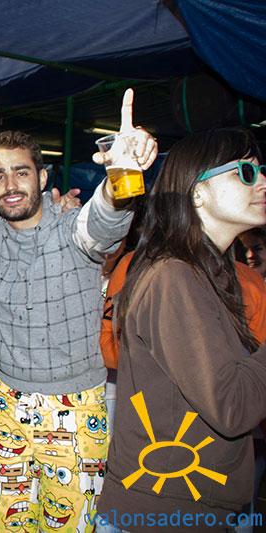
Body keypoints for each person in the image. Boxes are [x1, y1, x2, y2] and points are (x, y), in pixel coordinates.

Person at [0, 89, 157, 532]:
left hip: (77, 406)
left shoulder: (72, 228)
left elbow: (102, 222)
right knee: (0, 525)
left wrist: (120, 173)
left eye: (21, 172)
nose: (11, 185)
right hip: (7, 403)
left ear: (43, 177)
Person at [96, 128, 266, 532]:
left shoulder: (211, 272)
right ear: (197, 192)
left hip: (189, 506)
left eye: (262, 171)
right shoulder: (174, 276)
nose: (261, 182)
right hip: (162, 513)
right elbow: (232, 406)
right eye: (245, 172)